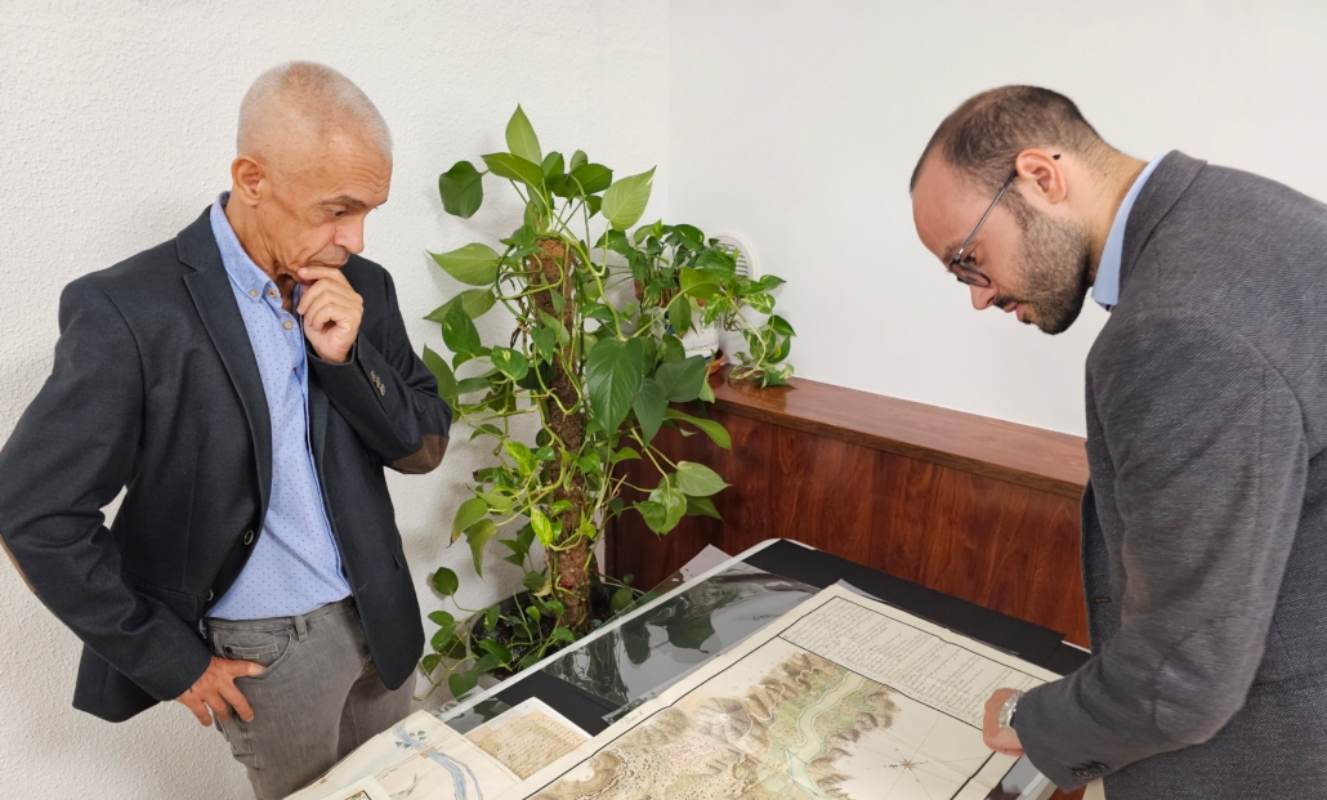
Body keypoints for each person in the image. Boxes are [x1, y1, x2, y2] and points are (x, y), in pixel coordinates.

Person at [0, 61, 451, 799]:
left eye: (370, 209)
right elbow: (32, 510)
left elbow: (423, 448)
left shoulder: (363, 286)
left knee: (403, 787)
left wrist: (343, 362)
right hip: (267, 651)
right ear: (251, 178)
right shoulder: (130, 311)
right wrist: (169, 660)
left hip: (383, 618)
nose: (358, 237)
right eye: (337, 209)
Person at [910, 85, 1327, 798]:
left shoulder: (1174, 329)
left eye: (967, 260)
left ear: (1039, 176)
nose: (978, 297)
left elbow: (1184, 683)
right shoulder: (1244, 210)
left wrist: (1026, 718)